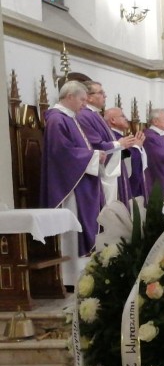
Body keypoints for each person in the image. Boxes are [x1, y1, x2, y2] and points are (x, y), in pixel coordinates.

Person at [40, 80, 105, 285]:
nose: (85, 104)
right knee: (73, 229)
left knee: (84, 225)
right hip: (70, 185)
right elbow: (62, 152)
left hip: (80, 181)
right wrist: (92, 156)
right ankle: (71, 277)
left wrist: (93, 156)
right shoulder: (57, 120)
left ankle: (84, 275)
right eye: (82, 99)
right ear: (69, 97)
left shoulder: (70, 118)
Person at [78, 81, 140, 206]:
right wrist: (119, 144)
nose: (105, 96)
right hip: (99, 175)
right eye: (101, 93)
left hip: (110, 171)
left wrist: (121, 145)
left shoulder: (95, 115)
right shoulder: (85, 116)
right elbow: (94, 146)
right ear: (89, 96)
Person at [104, 107, 147, 204]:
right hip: (118, 184)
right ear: (113, 120)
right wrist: (136, 147)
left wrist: (138, 147)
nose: (126, 118)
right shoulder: (112, 137)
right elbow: (125, 159)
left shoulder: (123, 137)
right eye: (122, 116)